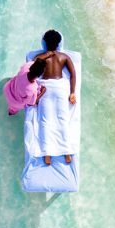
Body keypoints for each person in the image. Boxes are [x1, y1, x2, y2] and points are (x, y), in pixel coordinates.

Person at [29, 29, 77, 165]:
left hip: (46, 89)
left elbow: (32, 63)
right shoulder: (64, 57)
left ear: (44, 42)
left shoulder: (41, 56)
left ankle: (47, 154)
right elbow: (73, 75)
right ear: (59, 43)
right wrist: (72, 92)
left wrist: (46, 55)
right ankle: (67, 153)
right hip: (60, 89)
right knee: (62, 119)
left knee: (45, 121)